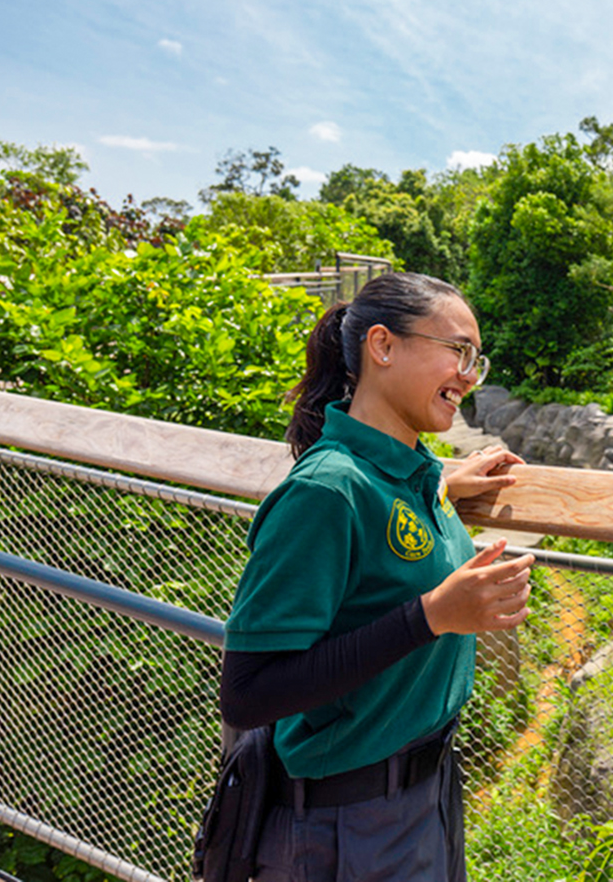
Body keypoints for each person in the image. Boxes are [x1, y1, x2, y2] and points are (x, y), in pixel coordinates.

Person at [220, 272, 533, 882]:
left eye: (477, 360)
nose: (469, 375)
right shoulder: (325, 492)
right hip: (347, 826)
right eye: (457, 351)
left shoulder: (407, 471)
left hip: (423, 793)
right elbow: (248, 693)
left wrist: (445, 481)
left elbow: (381, 529)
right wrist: (433, 616)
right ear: (383, 346)